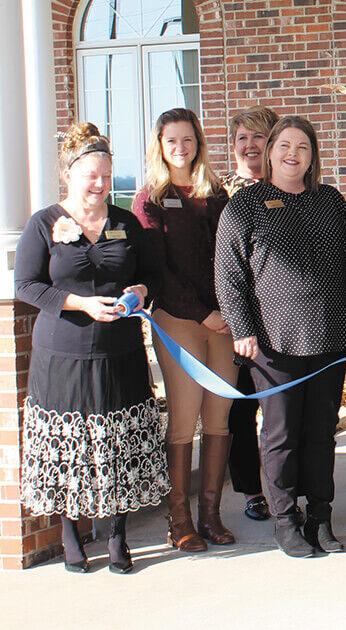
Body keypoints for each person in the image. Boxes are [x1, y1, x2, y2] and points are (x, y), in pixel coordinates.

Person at [214, 116, 346, 558]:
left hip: (329, 334)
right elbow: (229, 273)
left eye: (302, 147)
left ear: (312, 156)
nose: (292, 154)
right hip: (273, 341)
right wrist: (242, 328)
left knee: (322, 432)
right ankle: (285, 520)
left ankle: (320, 516)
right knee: (281, 433)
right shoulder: (244, 206)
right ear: (269, 153)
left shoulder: (330, 202)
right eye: (284, 145)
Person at [16, 122, 168, 574]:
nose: (101, 184)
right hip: (61, 356)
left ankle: (119, 536)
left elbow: (153, 278)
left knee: (118, 444)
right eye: (91, 176)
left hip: (119, 353)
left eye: (106, 175)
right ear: (70, 174)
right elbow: (25, 284)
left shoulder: (126, 224)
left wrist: (140, 291)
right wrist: (79, 302)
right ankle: (71, 535)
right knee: (72, 447)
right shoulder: (44, 223)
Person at [132, 108, 236, 553]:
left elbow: (233, 260)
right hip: (178, 319)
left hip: (224, 322)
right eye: (172, 140)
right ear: (160, 145)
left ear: (198, 143)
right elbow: (159, 270)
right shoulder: (150, 199)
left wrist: (227, 311)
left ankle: (211, 515)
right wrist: (201, 312)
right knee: (183, 419)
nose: (181, 147)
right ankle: (180, 520)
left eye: (188, 139)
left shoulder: (217, 195)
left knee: (219, 417)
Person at [221, 105, 278, 522]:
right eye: (242, 137)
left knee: (280, 416)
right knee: (241, 410)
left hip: (281, 325)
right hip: (233, 325)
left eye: (258, 136)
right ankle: (251, 490)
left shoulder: (291, 188)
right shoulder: (218, 193)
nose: (250, 144)